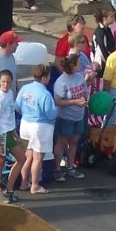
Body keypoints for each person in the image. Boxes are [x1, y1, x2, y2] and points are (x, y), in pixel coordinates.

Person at [15, 64, 56, 195]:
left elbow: (17, 106)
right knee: (38, 158)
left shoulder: (25, 88)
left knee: (28, 156)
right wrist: (57, 112)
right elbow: (51, 114)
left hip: (25, 123)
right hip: (40, 126)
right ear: (44, 78)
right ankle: (35, 185)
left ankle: (23, 183)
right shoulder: (45, 94)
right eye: (48, 76)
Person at [0, 69, 25, 203]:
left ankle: (8, 190)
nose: (5, 85)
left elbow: (10, 115)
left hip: (8, 132)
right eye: (3, 82)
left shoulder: (10, 93)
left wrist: (14, 133)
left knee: (21, 158)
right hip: (0, 134)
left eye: (8, 82)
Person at [52, 53, 88, 183]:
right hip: (65, 118)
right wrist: (75, 102)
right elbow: (57, 102)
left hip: (79, 116)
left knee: (74, 141)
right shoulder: (61, 82)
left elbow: (84, 90)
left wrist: (84, 97)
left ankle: (70, 167)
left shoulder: (79, 76)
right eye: (79, 63)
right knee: (61, 142)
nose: (81, 64)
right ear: (72, 65)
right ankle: (56, 170)